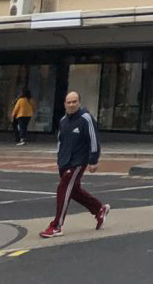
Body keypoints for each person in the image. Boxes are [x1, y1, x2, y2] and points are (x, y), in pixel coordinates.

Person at [39, 91, 109, 239]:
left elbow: (94, 139)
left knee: (63, 188)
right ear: (65, 104)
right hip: (64, 162)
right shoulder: (63, 121)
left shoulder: (86, 118)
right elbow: (60, 141)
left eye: (74, 102)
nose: (71, 105)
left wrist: (93, 160)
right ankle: (99, 209)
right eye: (69, 102)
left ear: (79, 102)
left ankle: (56, 226)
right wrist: (59, 159)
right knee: (74, 191)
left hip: (78, 162)